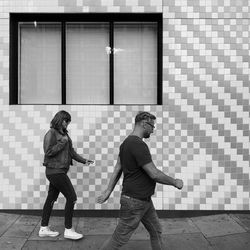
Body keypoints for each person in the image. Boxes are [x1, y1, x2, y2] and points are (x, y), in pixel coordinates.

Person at [97, 111, 183, 250]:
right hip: (135, 201)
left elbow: (118, 168)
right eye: (152, 126)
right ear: (144, 124)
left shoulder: (126, 143)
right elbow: (154, 173)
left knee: (156, 230)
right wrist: (175, 182)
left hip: (144, 201)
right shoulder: (137, 144)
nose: (153, 130)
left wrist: (108, 191)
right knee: (118, 240)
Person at [39, 110, 94, 240]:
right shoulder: (51, 133)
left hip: (59, 171)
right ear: (60, 119)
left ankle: (44, 228)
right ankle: (68, 230)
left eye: (68, 122)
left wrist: (84, 160)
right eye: (66, 121)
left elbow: (71, 152)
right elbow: (48, 152)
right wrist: (61, 143)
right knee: (72, 198)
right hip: (55, 171)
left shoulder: (64, 135)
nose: (67, 124)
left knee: (51, 198)